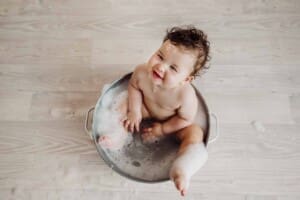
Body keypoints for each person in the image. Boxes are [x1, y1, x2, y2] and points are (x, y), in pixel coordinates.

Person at [99, 26, 210, 196]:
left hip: (172, 122)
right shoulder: (142, 72)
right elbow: (134, 87)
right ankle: (118, 135)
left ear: (186, 79)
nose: (161, 67)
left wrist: (163, 129)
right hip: (146, 108)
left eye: (173, 68)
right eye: (160, 56)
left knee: (195, 131)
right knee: (124, 104)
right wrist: (135, 112)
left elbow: (185, 119)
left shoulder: (185, 96)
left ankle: (182, 167)